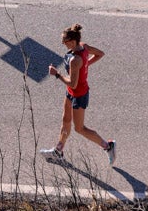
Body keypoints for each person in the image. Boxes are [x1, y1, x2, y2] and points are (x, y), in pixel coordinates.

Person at [39, 23, 116, 165]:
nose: (63, 43)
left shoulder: (76, 60)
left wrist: (57, 74)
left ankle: (108, 146)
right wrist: (84, 65)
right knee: (65, 120)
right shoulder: (83, 46)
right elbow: (100, 54)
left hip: (79, 95)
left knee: (80, 128)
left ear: (72, 41)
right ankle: (58, 151)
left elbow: (72, 83)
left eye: (65, 41)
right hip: (71, 92)